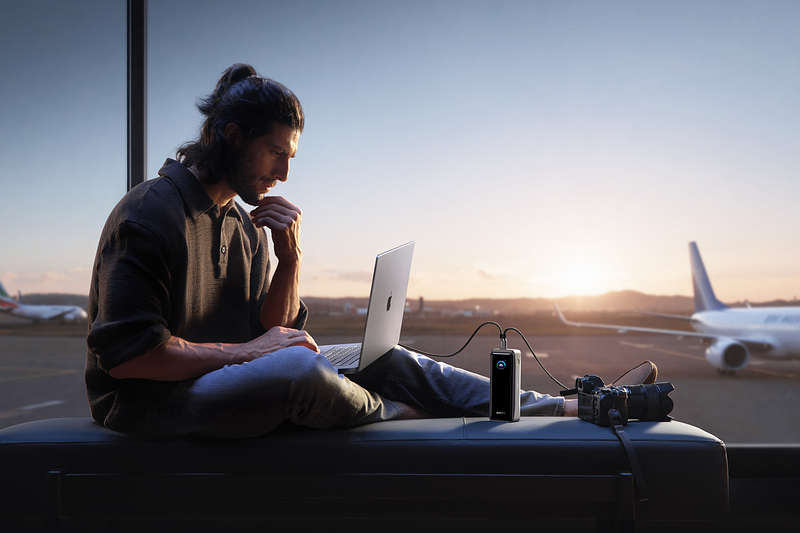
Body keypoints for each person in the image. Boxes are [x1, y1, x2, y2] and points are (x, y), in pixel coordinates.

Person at [85, 63, 655, 438]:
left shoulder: (242, 222)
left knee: (385, 357)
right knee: (301, 370)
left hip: (232, 374)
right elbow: (132, 358)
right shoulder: (150, 215)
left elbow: (272, 326)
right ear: (232, 137)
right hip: (148, 405)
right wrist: (251, 352)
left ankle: (571, 406)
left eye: (291, 158)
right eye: (275, 153)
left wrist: (290, 258)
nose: (284, 172)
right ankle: (393, 416)